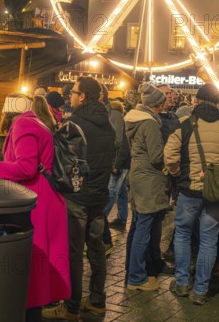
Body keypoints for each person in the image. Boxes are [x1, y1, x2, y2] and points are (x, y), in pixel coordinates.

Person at [0, 94, 70, 322]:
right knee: (36, 269)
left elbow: (26, 168)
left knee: (30, 267)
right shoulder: (35, 122)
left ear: (6, 113)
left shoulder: (22, 125)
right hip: (45, 198)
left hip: (36, 201)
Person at [165, 83, 219, 305]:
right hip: (216, 193)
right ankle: (201, 290)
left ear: (197, 100)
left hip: (189, 190)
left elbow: (170, 157)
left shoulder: (183, 125)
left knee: (183, 234)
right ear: (217, 102)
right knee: (209, 239)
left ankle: (182, 283)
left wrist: (177, 174)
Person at [42, 77, 115, 320]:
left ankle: (71, 306)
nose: (70, 96)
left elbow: (61, 163)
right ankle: (96, 300)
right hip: (99, 196)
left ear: (82, 96)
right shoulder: (108, 123)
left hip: (77, 197)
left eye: (73, 92)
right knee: (96, 248)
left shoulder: (72, 125)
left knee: (74, 252)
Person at [125, 83, 169, 291]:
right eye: (162, 104)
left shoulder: (134, 119)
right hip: (149, 178)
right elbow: (157, 156)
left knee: (137, 226)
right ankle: (137, 277)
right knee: (144, 227)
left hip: (137, 175)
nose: (163, 108)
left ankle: (131, 269)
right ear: (156, 105)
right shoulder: (150, 124)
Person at [100, 84, 129, 255]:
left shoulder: (115, 115)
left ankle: (102, 220)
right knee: (122, 191)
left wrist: (115, 163)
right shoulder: (111, 114)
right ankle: (122, 218)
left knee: (112, 192)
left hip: (118, 162)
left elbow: (117, 141)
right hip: (120, 161)